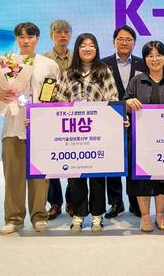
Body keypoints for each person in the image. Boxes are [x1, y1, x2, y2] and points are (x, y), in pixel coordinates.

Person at [0, 22, 59, 234]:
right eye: (21, 37)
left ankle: (39, 216)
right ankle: (14, 218)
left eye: (30, 37)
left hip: (41, 128)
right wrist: (0, 94)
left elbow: (55, 95)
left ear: (37, 39)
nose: (26, 41)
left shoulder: (49, 65)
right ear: (16, 39)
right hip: (13, 126)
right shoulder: (6, 64)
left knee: (40, 175)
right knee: (13, 174)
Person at [53, 33, 119, 232]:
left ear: (96, 49)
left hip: (98, 132)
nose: (87, 49)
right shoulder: (68, 73)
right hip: (74, 133)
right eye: (83, 45)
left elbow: (113, 99)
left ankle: (98, 215)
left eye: (91, 45)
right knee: (77, 175)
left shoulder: (104, 71)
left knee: (98, 176)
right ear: (77, 49)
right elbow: (59, 101)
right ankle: (79, 214)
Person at [125, 41, 164, 232]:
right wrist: (129, 102)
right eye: (150, 56)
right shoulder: (136, 81)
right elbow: (124, 104)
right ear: (145, 59)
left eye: (158, 55)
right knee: (142, 180)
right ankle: (145, 217)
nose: (154, 59)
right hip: (141, 141)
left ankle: (159, 214)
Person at [101, 25, 146, 218]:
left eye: (129, 39)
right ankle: (115, 203)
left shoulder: (142, 64)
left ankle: (135, 203)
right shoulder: (103, 64)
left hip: (137, 120)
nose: (124, 42)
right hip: (110, 120)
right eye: (120, 39)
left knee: (134, 161)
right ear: (114, 42)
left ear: (134, 43)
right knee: (112, 161)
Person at [42, 19, 73, 220]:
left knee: (74, 158)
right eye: (58, 32)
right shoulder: (42, 60)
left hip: (73, 116)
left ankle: (72, 200)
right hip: (50, 115)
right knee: (50, 160)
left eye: (66, 32)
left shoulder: (77, 58)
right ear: (51, 35)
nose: (62, 35)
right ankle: (54, 203)